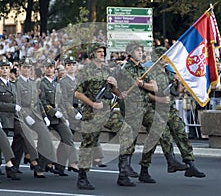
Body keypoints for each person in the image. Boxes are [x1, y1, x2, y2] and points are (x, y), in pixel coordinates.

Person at [120, 42, 188, 183]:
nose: (140, 52)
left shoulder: (143, 69)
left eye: (141, 50)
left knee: (160, 128)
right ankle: (123, 171)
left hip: (145, 108)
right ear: (130, 52)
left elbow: (154, 86)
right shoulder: (125, 69)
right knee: (129, 139)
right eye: (137, 50)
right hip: (132, 108)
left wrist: (142, 84)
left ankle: (171, 160)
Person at [75, 42, 136, 189]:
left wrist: (116, 87)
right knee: (88, 144)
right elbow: (77, 92)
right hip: (92, 113)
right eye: (99, 52)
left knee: (127, 131)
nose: (102, 54)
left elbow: (116, 92)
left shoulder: (107, 70)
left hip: (107, 111)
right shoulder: (85, 72)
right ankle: (82, 177)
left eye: (103, 51)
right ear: (92, 54)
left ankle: (123, 173)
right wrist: (93, 104)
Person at [146, 47, 206, 178]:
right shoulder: (150, 72)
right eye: (163, 56)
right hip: (156, 110)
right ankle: (148, 169)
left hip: (170, 109)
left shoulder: (169, 72)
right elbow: (147, 95)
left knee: (181, 134)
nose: (166, 59)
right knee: (160, 139)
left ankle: (190, 164)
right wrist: (160, 99)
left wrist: (179, 82)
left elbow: (176, 92)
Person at [0, 57, 46, 178]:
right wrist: (12, 108)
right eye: (2, 68)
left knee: (24, 133)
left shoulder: (12, 85)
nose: (5, 70)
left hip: (15, 116)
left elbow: (19, 102)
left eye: (7, 68)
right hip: (2, 117)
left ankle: (31, 161)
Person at [15, 58, 58, 175]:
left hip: (35, 114)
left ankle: (45, 162)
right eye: (24, 67)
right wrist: (24, 115)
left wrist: (44, 116)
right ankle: (34, 161)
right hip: (22, 115)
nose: (27, 70)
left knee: (45, 136)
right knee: (24, 138)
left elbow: (38, 102)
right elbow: (17, 103)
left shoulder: (33, 83)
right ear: (19, 68)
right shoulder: (16, 84)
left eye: (29, 67)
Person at [39, 59, 78, 176]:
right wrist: (51, 112)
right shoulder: (41, 83)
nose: (49, 69)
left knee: (68, 136)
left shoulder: (57, 84)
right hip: (47, 116)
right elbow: (41, 102)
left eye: (51, 67)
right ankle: (40, 167)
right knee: (45, 142)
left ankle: (73, 162)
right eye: (47, 67)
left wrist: (64, 116)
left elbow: (62, 102)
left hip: (58, 117)